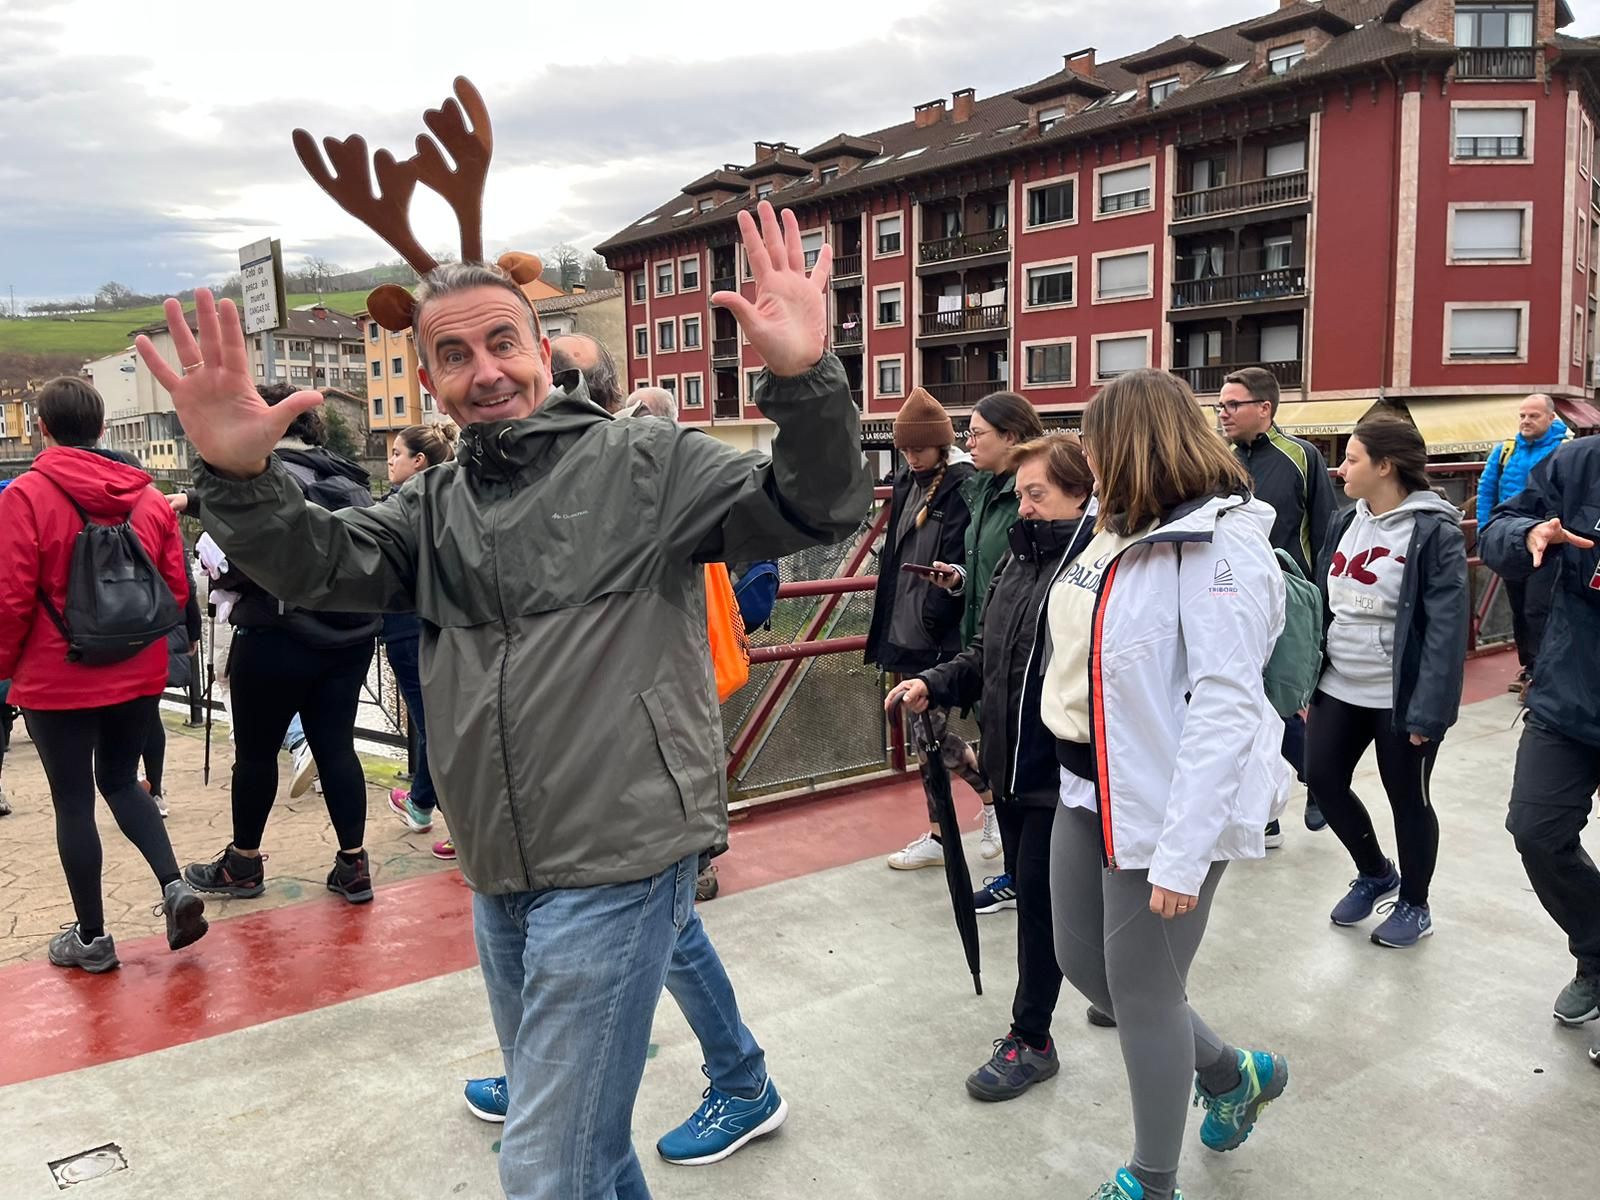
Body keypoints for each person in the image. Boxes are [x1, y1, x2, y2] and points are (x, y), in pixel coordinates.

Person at [138, 198, 870, 1199]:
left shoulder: (641, 461)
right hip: (500, 866)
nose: (484, 371)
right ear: (430, 379)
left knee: (541, 1165)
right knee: (587, 1149)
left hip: (619, 855)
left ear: (539, 349)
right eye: (453, 354)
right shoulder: (429, 507)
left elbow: (815, 503)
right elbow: (315, 563)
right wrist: (237, 471)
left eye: (500, 342)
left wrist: (802, 379)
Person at [461, 346, 790, 1167]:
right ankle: (573, 1071)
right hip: (602, 786)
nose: (497, 379)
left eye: (531, 359)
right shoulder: (531, 496)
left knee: (662, 927)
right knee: (662, 936)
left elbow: (787, 525)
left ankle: (735, 1078)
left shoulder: (643, 480)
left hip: (646, 770)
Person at [1041, 369, 1290, 1200]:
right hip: (1087, 786)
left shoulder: (1221, 550)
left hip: (1165, 804)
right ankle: (1230, 1072)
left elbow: (1227, 703)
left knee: (1143, 992)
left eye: (1096, 444)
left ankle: (1152, 1179)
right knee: (1087, 967)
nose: (1088, 460)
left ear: (1134, 447)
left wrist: (1183, 854)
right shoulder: (1112, 528)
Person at [891, 432, 1097, 1102]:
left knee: (1039, 903)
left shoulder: (1094, 566)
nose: (1025, 507)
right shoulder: (1020, 561)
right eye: (1020, 495)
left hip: (1060, 772)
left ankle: (1032, 1038)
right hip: (1011, 765)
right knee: (1064, 904)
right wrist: (936, 682)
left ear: (1080, 491)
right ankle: (1123, 988)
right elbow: (986, 651)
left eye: (1037, 494)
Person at [0, 376, 208, 970]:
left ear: (43, 427)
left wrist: (4, 668)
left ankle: (92, 938)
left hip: (55, 673)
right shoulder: (145, 496)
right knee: (121, 780)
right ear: (101, 428)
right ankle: (174, 886)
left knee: (72, 801)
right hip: (137, 669)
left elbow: (11, 597)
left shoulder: (25, 495)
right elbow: (174, 587)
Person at [176, 384, 382, 905]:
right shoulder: (349, 477)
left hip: (277, 633)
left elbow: (238, 558)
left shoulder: (263, 480)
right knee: (336, 746)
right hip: (350, 636)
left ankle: (243, 865)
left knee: (256, 754)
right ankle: (354, 865)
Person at [1307, 417, 1468, 948]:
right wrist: (1308, 677)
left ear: (1384, 466)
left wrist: (1430, 710)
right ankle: (1376, 871)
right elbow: (1321, 602)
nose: (1341, 467)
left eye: (1352, 459)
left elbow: (1445, 630)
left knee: (1408, 799)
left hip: (1399, 695)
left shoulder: (1433, 532)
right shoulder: (1343, 522)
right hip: (1339, 682)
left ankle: (1415, 904)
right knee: (1322, 780)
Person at [1479, 435, 1600, 1050]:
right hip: (1571, 690)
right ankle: (1597, 950)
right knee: (1536, 830)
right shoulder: (1580, 462)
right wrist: (1528, 536)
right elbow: (1499, 524)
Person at [865, 386, 986, 871]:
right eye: (906, 449)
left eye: (919, 448)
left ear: (942, 444)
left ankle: (944, 833)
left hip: (937, 636)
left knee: (927, 741)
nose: (912, 457)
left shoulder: (962, 486)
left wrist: (938, 612)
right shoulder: (904, 483)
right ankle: (989, 805)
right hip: (903, 630)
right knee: (926, 739)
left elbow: (961, 559)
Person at [1219, 365, 1337, 841]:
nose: (1223, 413)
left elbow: (1327, 529)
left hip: (1287, 596)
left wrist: (1324, 606)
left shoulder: (1300, 456)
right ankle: (1269, 809)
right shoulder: (1219, 457)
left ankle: (1317, 781)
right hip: (1228, 598)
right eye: (1220, 406)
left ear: (1264, 408)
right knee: (1245, 700)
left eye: (1233, 405)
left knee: (1280, 698)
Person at [930, 390, 1045, 866]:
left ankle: (1020, 871)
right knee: (990, 745)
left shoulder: (1034, 494)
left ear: (1011, 437)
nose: (969, 443)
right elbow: (990, 569)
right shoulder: (982, 490)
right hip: (983, 640)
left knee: (1022, 764)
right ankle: (1014, 866)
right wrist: (958, 579)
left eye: (977, 434)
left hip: (1020, 650)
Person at [383, 423, 457, 838]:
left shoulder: (402, 509)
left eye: (397, 453)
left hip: (408, 629)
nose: (390, 461)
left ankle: (454, 821)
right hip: (439, 625)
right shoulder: (450, 501)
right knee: (441, 722)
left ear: (419, 462)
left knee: (434, 726)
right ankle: (423, 801)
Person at [1476, 393, 1569, 695]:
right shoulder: (1506, 450)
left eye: (1534, 416)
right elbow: (1486, 491)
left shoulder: (1564, 450)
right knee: (1518, 609)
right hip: (1510, 541)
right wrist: (1485, 532)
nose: (1526, 421)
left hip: (1549, 546)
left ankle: (1541, 675)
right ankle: (1529, 667)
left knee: (1537, 608)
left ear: (1551, 418)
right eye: (1523, 416)